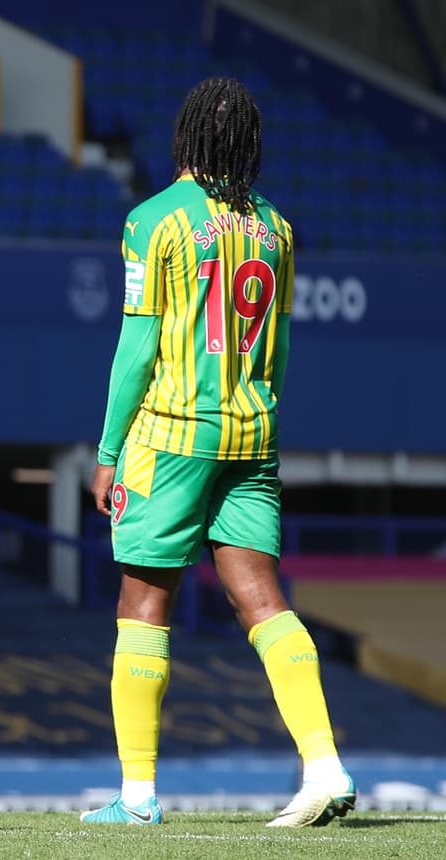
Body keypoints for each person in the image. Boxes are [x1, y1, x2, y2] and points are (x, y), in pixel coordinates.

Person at [82, 77, 354, 828]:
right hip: (252, 436)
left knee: (143, 603)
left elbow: (137, 350)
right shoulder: (277, 230)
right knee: (261, 599)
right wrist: (254, 415)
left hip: (171, 437)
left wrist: (108, 450)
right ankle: (325, 765)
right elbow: (284, 348)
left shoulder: (153, 222)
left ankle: (137, 800)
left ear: (186, 137)